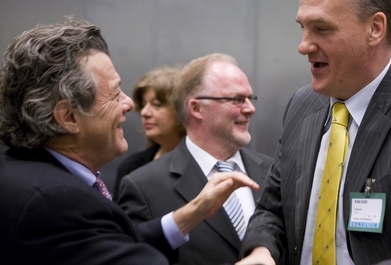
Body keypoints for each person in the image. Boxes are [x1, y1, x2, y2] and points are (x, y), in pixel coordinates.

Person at [238, 0, 391, 265]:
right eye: (303, 28)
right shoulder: (302, 105)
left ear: (375, 28)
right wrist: (261, 251)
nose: (303, 45)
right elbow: (272, 210)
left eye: (321, 29)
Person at [0, 17, 260, 265]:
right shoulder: (57, 201)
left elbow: (110, 243)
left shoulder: (23, 173)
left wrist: (188, 215)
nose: (129, 104)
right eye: (114, 94)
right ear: (68, 117)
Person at [117, 53, 273, 265]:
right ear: (196, 108)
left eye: (250, 98)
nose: (250, 108)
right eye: (236, 99)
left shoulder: (273, 171)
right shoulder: (144, 186)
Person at [113, 66, 186, 200]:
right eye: (143, 105)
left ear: (183, 110)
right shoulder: (132, 167)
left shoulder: (208, 164)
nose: (144, 112)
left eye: (157, 104)